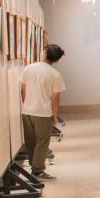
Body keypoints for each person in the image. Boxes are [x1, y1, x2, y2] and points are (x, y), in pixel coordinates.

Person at [20, 44, 67, 182]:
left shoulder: (29, 68)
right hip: (43, 112)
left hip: (27, 111)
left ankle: (34, 167)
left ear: (45, 53)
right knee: (42, 142)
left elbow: (23, 89)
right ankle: (38, 171)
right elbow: (56, 97)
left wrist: (26, 104)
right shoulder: (55, 74)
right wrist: (55, 115)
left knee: (30, 141)